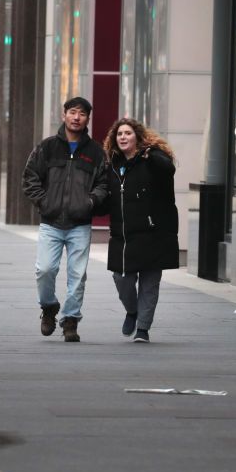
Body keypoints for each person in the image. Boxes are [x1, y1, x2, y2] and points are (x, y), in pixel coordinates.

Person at [22, 97, 108, 342]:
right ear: (64, 115)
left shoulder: (95, 152)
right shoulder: (47, 147)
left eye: (82, 113)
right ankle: (49, 307)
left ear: (87, 119)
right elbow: (30, 178)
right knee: (45, 270)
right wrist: (44, 201)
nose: (76, 117)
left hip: (79, 224)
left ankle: (70, 320)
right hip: (51, 222)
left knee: (77, 275)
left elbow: (103, 185)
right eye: (72, 112)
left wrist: (90, 202)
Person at [100, 118, 178, 343]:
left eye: (128, 133)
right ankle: (132, 311)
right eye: (119, 134)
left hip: (154, 232)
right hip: (124, 235)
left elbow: (168, 169)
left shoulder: (152, 160)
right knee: (121, 277)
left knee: (150, 283)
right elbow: (106, 199)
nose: (123, 137)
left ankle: (143, 328)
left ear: (138, 138)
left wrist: (151, 152)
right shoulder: (112, 166)